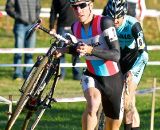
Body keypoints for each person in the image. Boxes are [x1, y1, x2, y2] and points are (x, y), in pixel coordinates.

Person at [54, 0, 124, 130]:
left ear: (91, 5)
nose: (78, 10)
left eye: (82, 5)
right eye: (75, 7)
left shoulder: (104, 22)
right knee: (93, 103)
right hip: (92, 74)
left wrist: (91, 49)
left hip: (112, 78)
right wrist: (63, 50)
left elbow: (116, 55)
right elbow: (79, 49)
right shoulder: (75, 27)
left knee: (112, 126)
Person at [102, 0, 149, 130]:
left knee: (127, 101)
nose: (115, 21)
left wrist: (132, 72)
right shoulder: (105, 23)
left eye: (118, 17)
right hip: (117, 61)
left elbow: (144, 55)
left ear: (124, 14)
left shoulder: (133, 24)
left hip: (134, 62)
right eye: (112, 17)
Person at [5, 0, 41, 80]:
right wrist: (19, 17)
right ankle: (18, 74)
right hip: (20, 25)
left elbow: (38, 7)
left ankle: (28, 74)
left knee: (30, 51)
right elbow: (9, 8)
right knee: (19, 51)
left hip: (32, 25)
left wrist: (36, 17)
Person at [49, 0, 81, 80]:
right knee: (60, 52)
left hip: (75, 27)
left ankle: (77, 76)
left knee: (77, 51)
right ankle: (60, 75)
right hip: (61, 27)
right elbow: (53, 12)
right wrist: (52, 27)